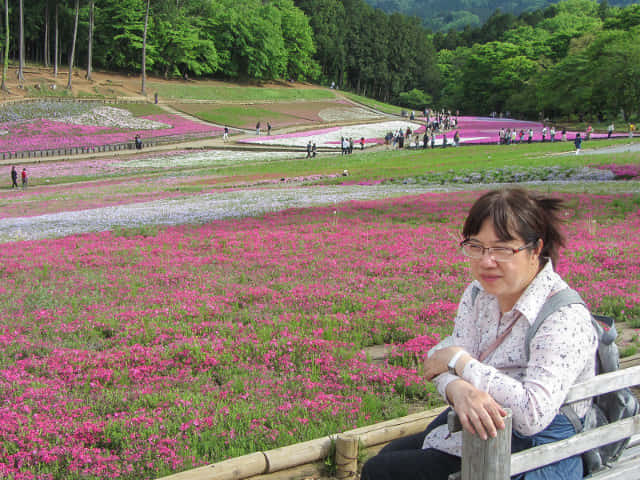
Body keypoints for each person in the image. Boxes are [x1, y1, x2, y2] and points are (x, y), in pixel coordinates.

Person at [361, 188, 597, 480]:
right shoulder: (479, 294)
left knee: (380, 471)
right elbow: (437, 363)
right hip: (489, 434)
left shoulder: (563, 316)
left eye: (502, 249)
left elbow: (532, 415)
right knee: (388, 456)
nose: (486, 261)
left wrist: (461, 363)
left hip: (536, 453)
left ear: (535, 249)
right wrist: (458, 389)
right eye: (476, 247)